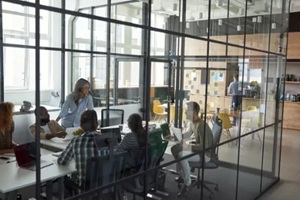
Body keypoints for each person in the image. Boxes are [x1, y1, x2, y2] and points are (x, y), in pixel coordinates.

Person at [171, 101, 213, 197]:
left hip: (204, 154)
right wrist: (177, 136)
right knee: (176, 149)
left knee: (182, 154)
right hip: (199, 150)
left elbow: (204, 147)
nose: (185, 112)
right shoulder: (193, 123)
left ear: (194, 112)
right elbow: (187, 134)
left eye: (187, 110)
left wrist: (188, 146)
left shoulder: (201, 125)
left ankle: (187, 183)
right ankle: (183, 174)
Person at [57, 110, 102, 190]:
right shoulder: (106, 139)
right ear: (96, 124)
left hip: (84, 188)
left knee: (66, 178)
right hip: (105, 187)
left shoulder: (76, 141)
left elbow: (62, 161)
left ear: (81, 125)